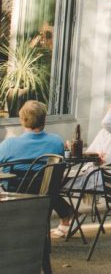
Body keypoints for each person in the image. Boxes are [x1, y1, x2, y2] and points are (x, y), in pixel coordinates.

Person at [0, 101, 72, 236]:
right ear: (44, 120)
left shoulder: (8, 144)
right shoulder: (56, 142)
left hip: (15, 193)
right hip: (44, 193)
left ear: (22, 120)